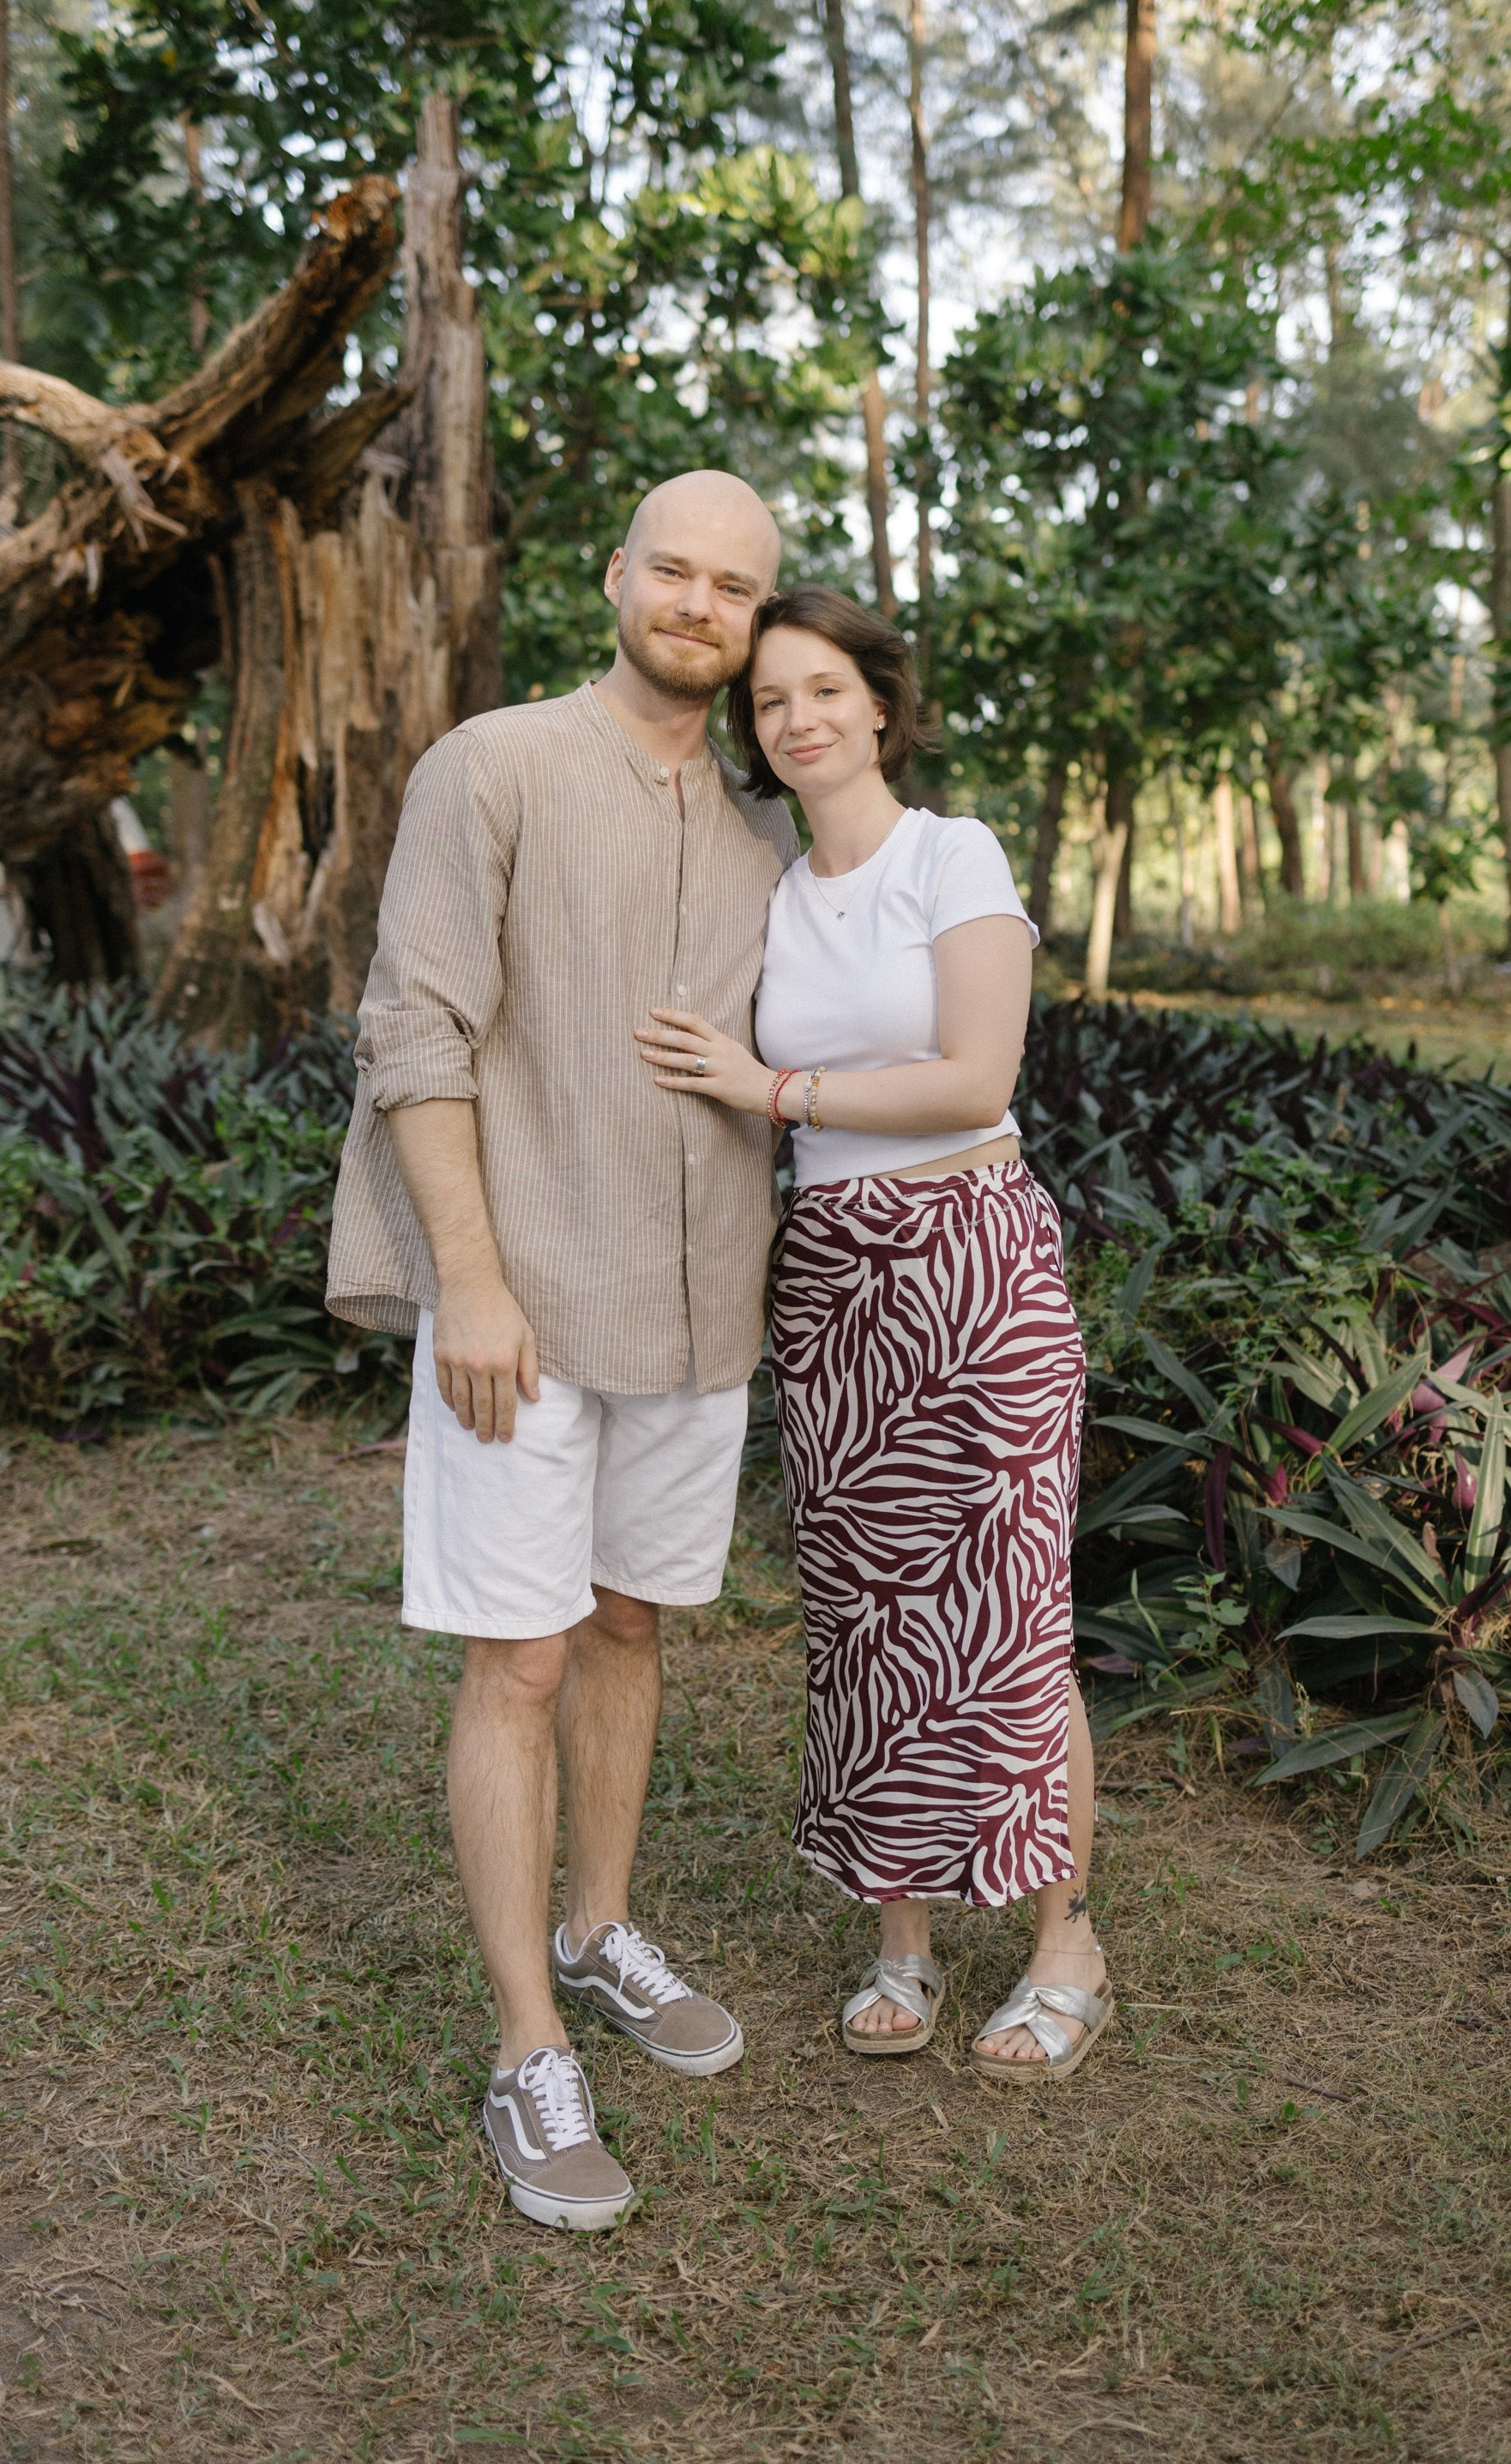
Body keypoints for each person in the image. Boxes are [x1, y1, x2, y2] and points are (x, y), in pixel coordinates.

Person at [325, 472, 803, 2229]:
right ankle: (529, 2048)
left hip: (698, 1315)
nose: (697, 602)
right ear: (616, 578)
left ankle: (600, 1930)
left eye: (732, 586)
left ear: (759, 622)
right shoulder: (496, 763)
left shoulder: (765, 836)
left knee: (625, 1630)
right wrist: (471, 1282)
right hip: (521, 1304)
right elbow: (415, 1021)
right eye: (671, 569)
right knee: (515, 1664)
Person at [634, 586, 1111, 2081]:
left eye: (825, 688)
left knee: (1011, 1611)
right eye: (772, 702)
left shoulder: (948, 855)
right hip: (832, 1274)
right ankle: (900, 1940)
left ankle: (1061, 1946)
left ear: (881, 705)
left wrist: (768, 1092)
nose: (799, 718)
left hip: (970, 1259)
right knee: (872, 1618)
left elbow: (976, 1077)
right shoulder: (772, 889)